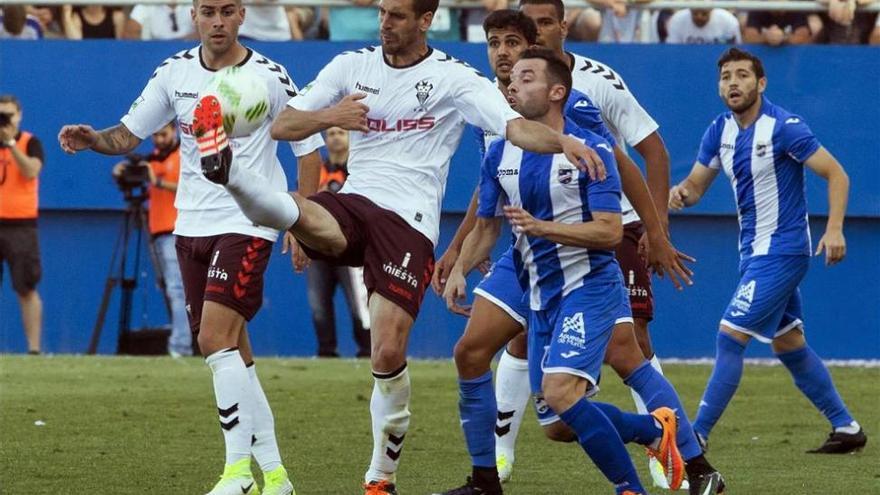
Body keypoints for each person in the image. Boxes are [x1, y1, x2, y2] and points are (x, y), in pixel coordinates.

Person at [196, 0, 604, 491]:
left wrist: (564, 142)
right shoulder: (352, 66)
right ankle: (230, 171)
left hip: (409, 222)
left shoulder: (455, 79)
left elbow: (515, 127)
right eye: (382, 13)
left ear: (425, 20)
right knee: (305, 211)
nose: (385, 23)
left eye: (397, 16)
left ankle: (380, 476)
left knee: (387, 352)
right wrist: (334, 115)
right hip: (356, 200)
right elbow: (283, 124)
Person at [431, 11, 723, 495]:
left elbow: (622, 164)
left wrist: (655, 230)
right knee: (478, 356)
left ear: (537, 52)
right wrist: (458, 254)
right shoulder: (488, 103)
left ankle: (691, 462)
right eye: (494, 44)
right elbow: (491, 199)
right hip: (526, 257)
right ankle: (488, 475)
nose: (503, 54)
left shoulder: (577, 103)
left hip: (591, 247)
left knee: (626, 353)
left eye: (514, 45)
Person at [57, 0, 325, 492]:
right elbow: (127, 134)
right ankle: (277, 475)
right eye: (208, 11)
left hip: (249, 222)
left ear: (242, 15)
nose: (217, 21)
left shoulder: (269, 75)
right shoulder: (174, 72)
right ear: (194, 16)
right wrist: (94, 138)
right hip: (190, 225)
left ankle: (236, 473)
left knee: (212, 341)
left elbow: (309, 152)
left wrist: (301, 221)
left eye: (227, 11)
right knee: (233, 355)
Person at [670, 47, 867, 455]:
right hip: (753, 254)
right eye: (726, 76)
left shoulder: (783, 127)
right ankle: (846, 427)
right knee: (788, 343)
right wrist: (679, 194)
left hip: (784, 251)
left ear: (761, 83)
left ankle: (695, 435)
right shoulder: (718, 131)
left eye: (742, 75)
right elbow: (695, 187)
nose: (733, 83)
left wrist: (834, 230)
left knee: (729, 338)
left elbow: (837, 174)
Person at [112, 122, 191, 357]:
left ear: (174, 131)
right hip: (156, 230)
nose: (158, 139)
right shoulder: (153, 159)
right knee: (168, 287)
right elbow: (141, 181)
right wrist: (123, 172)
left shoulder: (183, 155)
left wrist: (156, 181)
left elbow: (189, 187)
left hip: (176, 230)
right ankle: (181, 339)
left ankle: (181, 346)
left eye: (163, 134)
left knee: (177, 289)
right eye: (155, 135)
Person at [306, 127, 371, 358]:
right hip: (319, 245)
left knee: (359, 302)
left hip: (348, 243)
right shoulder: (316, 171)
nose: (335, 137)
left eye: (340, 133)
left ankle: (366, 350)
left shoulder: (358, 170)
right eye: (331, 133)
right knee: (318, 302)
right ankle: (326, 352)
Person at [0, 94, 44, 355]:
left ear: (19, 115)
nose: (5, 120)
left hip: (21, 226)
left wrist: (11, 143)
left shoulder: (30, 142)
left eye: (9, 115)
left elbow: (31, 171)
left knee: (26, 287)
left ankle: (34, 349)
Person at [665, 7, 741, 44]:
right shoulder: (677, 20)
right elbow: (672, 51)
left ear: (711, 9)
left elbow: (735, 52)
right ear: (690, 10)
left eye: (704, 13)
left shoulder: (728, 20)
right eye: (695, 14)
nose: (699, 17)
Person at [743, 9, 811, 46]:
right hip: (762, 58)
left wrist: (784, 37)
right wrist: (765, 37)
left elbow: (804, 39)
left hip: (792, 58)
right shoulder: (758, 9)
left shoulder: (797, 9)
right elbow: (748, 38)